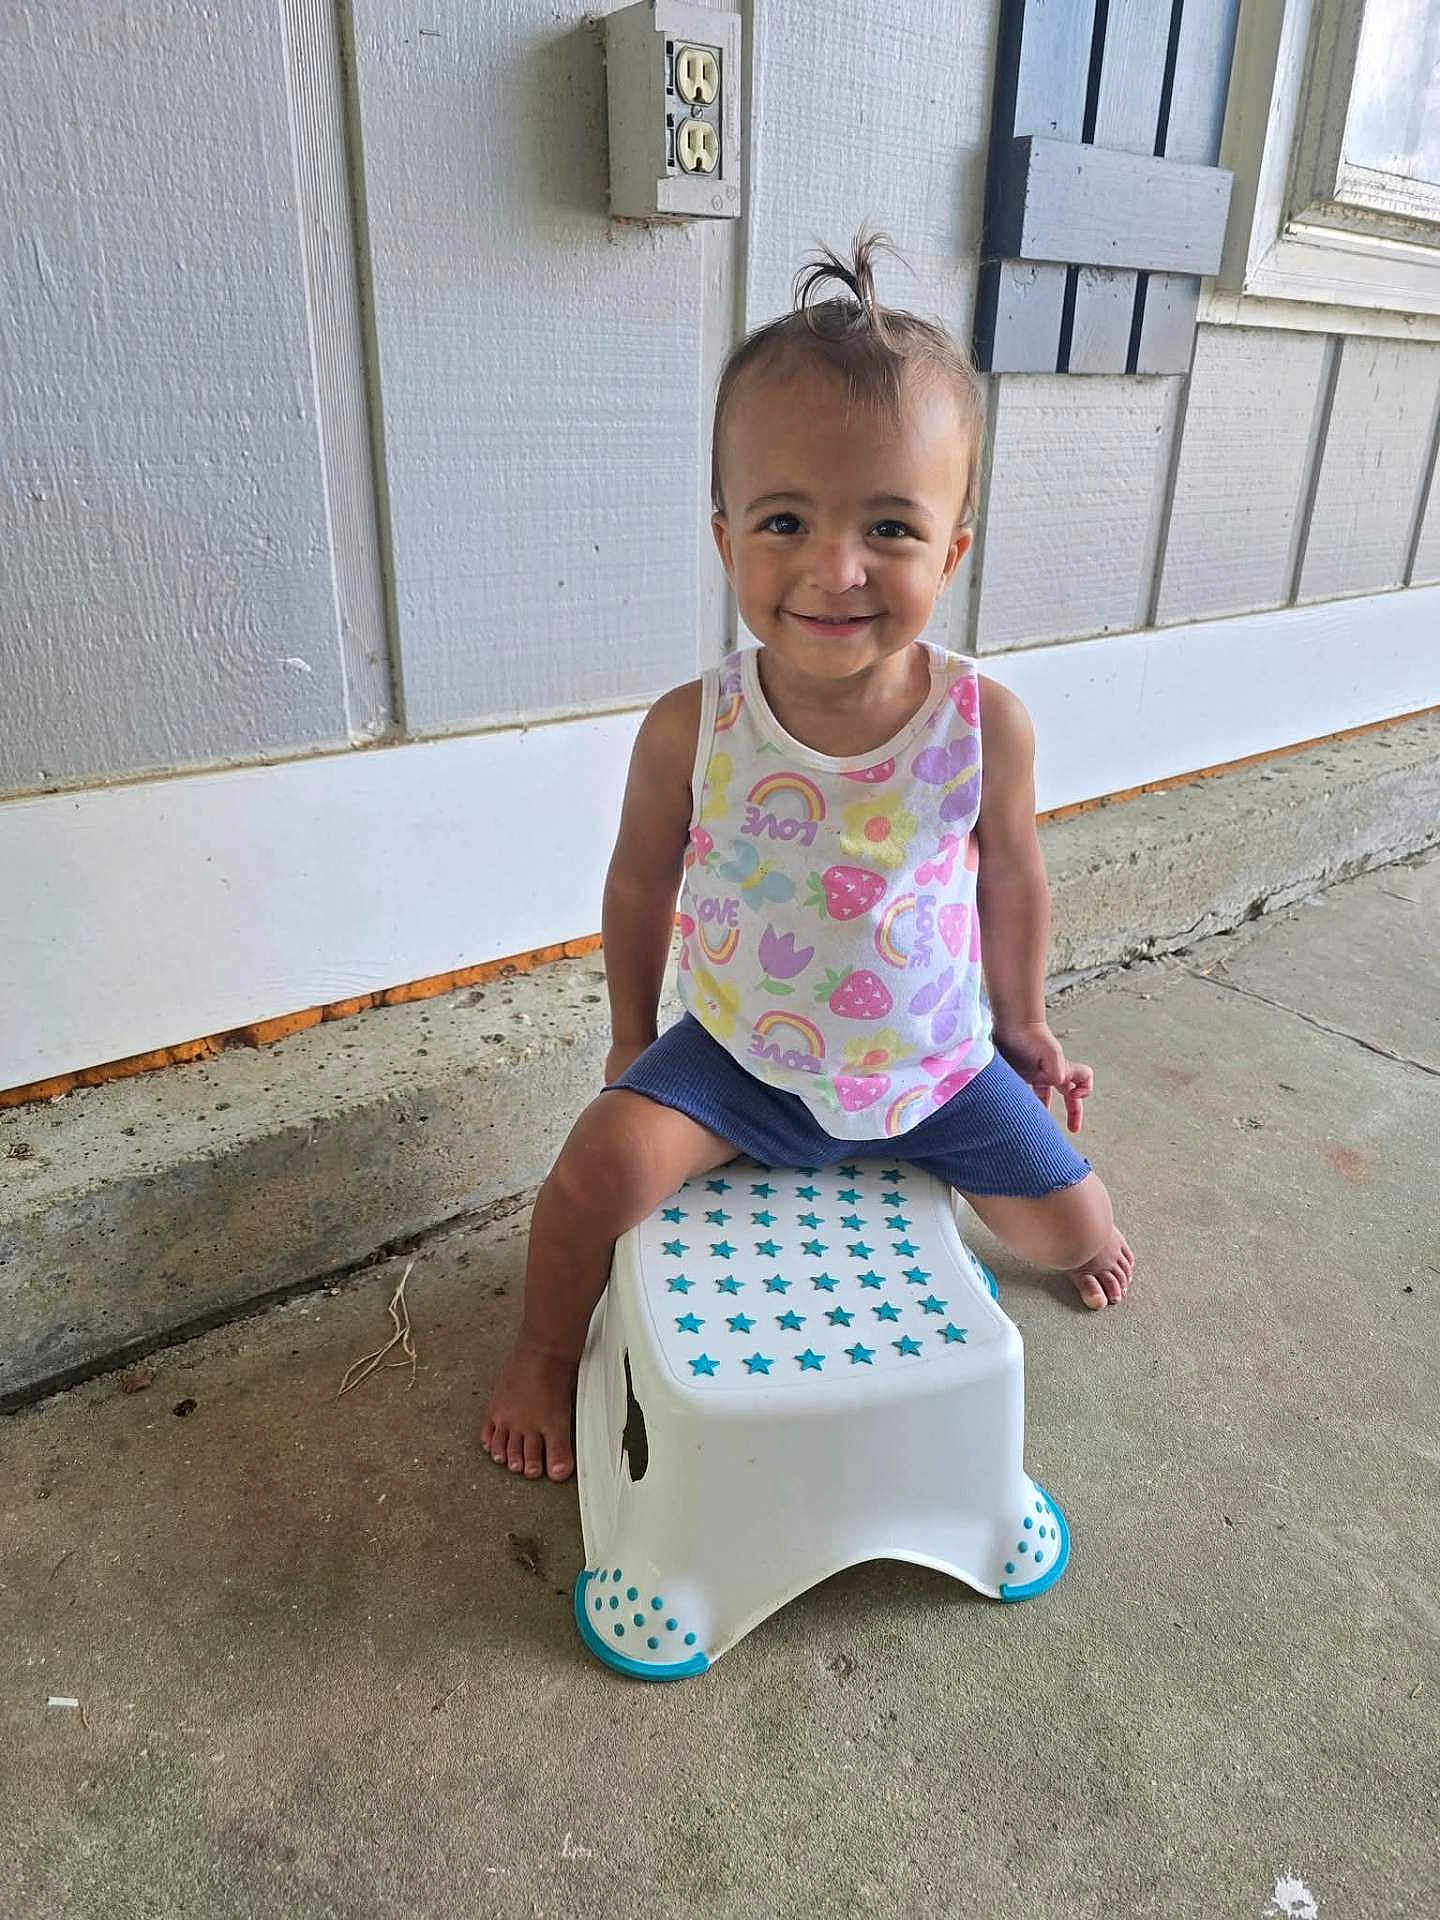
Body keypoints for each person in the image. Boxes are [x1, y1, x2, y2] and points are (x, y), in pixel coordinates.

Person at [482, 229, 1134, 1483]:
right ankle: (540, 1355)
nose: (837, 570)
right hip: (742, 1054)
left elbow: (1011, 876)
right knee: (594, 1173)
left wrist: (1026, 1023)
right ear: (727, 537)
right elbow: (638, 881)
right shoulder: (696, 726)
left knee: (1077, 1231)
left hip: (936, 1062)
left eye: (891, 526)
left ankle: (951, 1159)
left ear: (951, 548)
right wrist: (631, 1034)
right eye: (787, 520)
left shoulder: (983, 724)